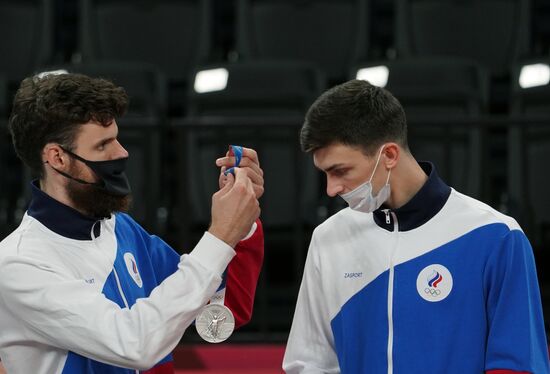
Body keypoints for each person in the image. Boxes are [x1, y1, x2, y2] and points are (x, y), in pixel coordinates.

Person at [0, 73, 265, 374]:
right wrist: (220, 235)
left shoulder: (122, 229)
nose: (122, 153)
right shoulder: (18, 264)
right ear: (57, 158)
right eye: (103, 145)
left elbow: (220, 311)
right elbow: (135, 344)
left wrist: (241, 222)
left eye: (117, 137)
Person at [283, 79, 550, 373]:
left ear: (389, 155)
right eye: (324, 173)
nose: (331, 189)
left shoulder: (497, 236)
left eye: (340, 171)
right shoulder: (328, 238)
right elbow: (309, 363)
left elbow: (517, 364)